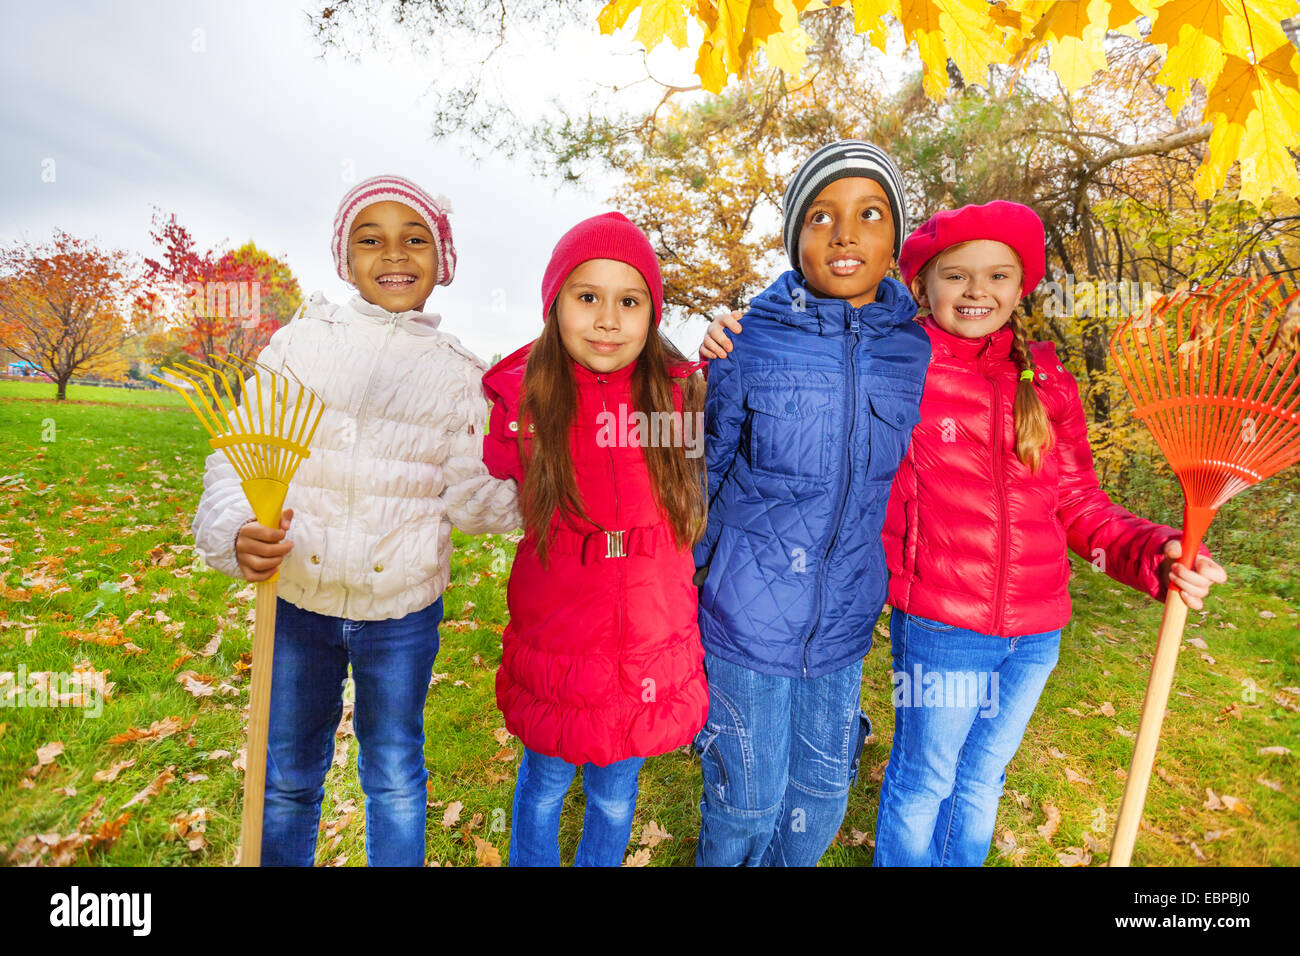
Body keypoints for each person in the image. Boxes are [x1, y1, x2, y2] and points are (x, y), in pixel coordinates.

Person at [701, 200, 1227, 867]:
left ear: (1021, 286)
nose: (978, 291)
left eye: (999, 276)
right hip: (945, 625)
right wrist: (737, 330)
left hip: (1036, 630)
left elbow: (1078, 500)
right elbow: (828, 357)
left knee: (981, 782)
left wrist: (1153, 552)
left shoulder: (1047, 380)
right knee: (925, 781)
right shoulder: (905, 361)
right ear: (923, 285)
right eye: (957, 276)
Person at [192, 174, 521, 866]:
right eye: (370, 239)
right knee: (286, 777)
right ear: (346, 259)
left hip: (401, 611)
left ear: (443, 261)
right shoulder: (301, 345)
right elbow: (240, 453)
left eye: (415, 239)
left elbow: (471, 498)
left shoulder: (460, 374)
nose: (393, 253)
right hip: (297, 598)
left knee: (395, 775)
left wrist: (535, 466)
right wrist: (232, 532)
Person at [690, 141, 931, 866]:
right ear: (796, 239)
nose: (846, 234)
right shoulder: (748, 341)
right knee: (745, 803)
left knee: (820, 800)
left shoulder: (913, 350)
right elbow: (700, 474)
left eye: (870, 214)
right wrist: (673, 589)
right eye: (821, 216)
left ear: (895, 239)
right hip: (744, 623)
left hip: (843, 627)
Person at [481, 212, 709, 867]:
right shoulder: (525, 400)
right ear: (555, 305)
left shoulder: (676, 399)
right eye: (588, 298)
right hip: (560, 644)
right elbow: (463, 481)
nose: (608, 320)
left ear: (651, 314)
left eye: (629, 301)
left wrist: (728, 347)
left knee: (615, 793)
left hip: (644, 646)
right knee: (545, 784)